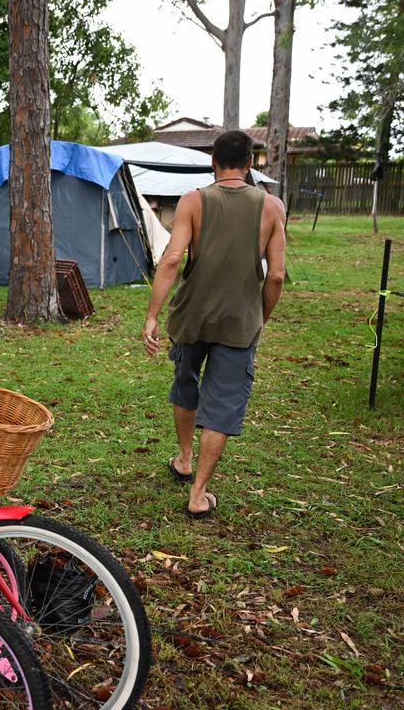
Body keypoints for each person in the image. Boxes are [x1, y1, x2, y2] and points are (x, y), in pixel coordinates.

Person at [141, 130, 286, 519]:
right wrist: (261, 318)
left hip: (191, 316)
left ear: (213, 161)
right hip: (239, 321)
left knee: (186, 384)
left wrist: (153, 315)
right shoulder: (272, 207)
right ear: (252, 162)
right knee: (221, 407)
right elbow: (275, 276)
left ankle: (185, 459)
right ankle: (198, 494)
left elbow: (172, 258)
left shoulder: (193, 201)